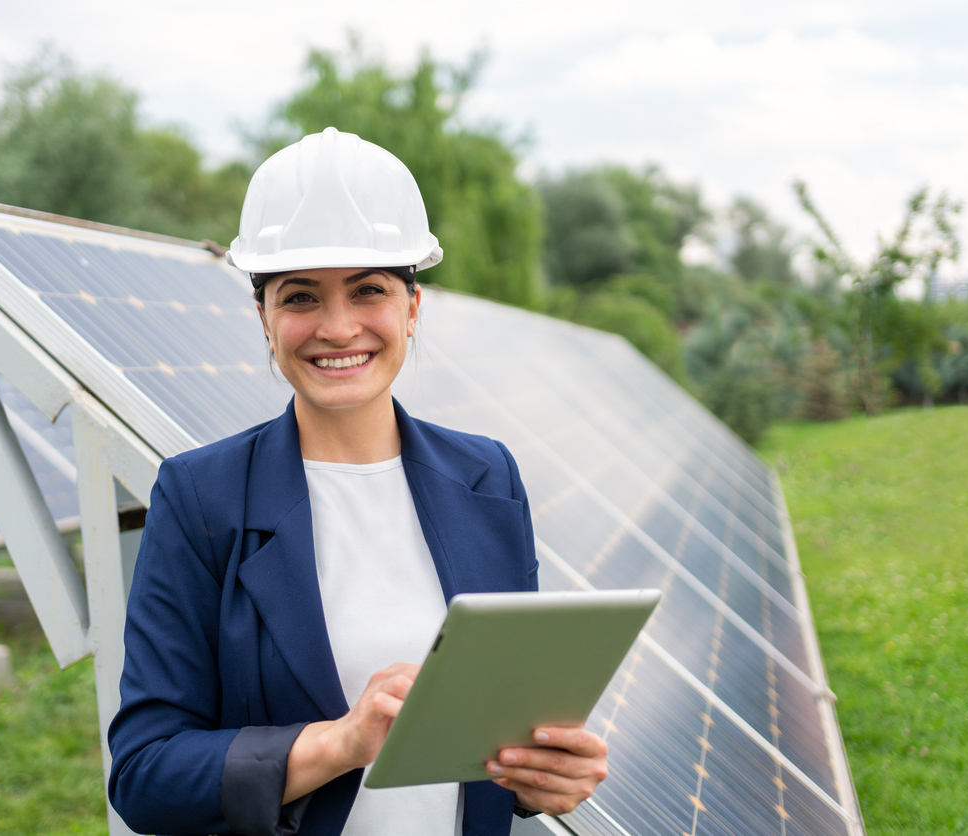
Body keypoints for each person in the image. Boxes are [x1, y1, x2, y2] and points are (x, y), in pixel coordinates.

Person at [107, 127, 608, 836]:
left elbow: (501, 727)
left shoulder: (486, 475)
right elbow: (145, 774)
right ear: (264, 318)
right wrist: (339, 743)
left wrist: (540, 777)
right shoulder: (201, 496)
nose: (337, 328)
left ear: (411, 307)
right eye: (301, 297)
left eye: (367, 290)